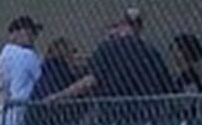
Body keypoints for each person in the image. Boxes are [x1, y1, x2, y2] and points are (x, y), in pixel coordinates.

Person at [44, 8, 173, 108]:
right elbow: (166, 86)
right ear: (139, 27)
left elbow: (90, 80)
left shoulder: (108, 48)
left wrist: (58, 96)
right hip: (147, 115)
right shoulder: (151, 51)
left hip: (113, 114)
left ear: (121, 24)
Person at [0, 15, 41, 125]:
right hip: (25, 113)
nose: (33, 36)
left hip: (5, 115)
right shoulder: (27, 55)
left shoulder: (2, 57)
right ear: (14, 34)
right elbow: (41, 77)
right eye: (28, 32)